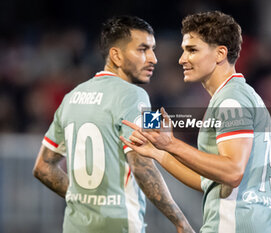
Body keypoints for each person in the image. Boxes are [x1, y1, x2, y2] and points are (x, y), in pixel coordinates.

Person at [120, 11, 271, 233]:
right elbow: (208, 181)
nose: (182, 59)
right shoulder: (238, 95)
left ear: (220, 53)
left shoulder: (231, 99)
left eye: (192, 50)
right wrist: (159, 152)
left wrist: (171, 144)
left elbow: (232, 172)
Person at [33, 15, 194, 233]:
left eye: (153, 49)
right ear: (116, 56)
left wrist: (84, 199)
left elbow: (43, 168)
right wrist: (180, 221)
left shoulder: (72, 96)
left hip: (75, 226)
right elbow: (142, 166)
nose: (153, 58)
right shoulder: (134, 95)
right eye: (142, 49)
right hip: (120, 225)